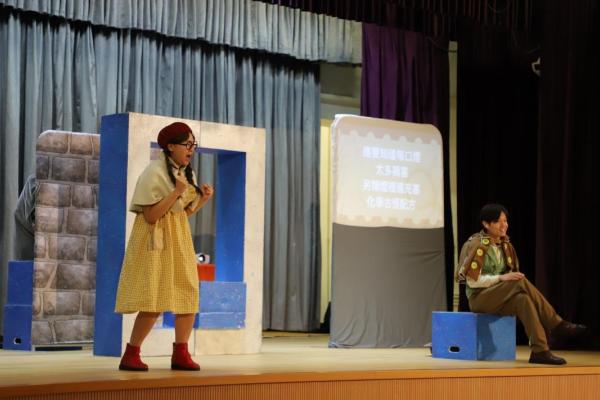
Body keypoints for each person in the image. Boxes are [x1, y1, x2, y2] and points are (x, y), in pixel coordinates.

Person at [115, 122, 214, 371]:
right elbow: (151, 216)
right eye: (187, 144)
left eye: (193, 144)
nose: (191, 149)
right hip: (155, 241)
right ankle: (131, 353)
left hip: (178, 239)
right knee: (155, 297)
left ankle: (181, 352)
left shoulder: (185, 173)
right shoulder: (154, 173)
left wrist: (202, 200)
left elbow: (180, 214)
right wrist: (175, 192)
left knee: (188, 292)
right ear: (170, 146)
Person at [457, 203, 586, 365]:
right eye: (498, 221)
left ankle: (540, 351)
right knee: (518, 281)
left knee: (523, 299)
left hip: (499, 297)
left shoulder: (506, 245)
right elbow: (472, 282)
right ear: (486, 224)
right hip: (479, 299)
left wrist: (505, 279)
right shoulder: (475, 244)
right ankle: (556, 324)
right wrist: (501, 278)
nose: (504, 225)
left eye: (505, 221)